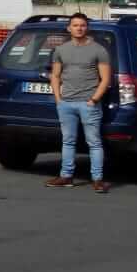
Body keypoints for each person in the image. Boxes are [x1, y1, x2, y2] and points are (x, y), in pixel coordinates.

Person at [46, 12, 112, 193]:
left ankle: (97, 180)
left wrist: (93, 99)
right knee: (68, 141)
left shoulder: (98, 50)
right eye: (75, 25)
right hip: (66, 103)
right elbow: (55, 75)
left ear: (87, 28)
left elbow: (105, 79)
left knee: (94, 143)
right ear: (69, 28)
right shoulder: (61, 50)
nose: (79, 28)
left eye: (82, 25)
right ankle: (66, 176)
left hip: (88, 103)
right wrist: (58, 99)